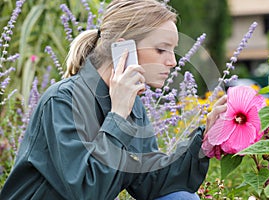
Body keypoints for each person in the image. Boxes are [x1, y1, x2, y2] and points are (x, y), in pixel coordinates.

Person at [0, 0, 227, 199]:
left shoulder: (132, 106)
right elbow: (86, 191)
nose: (173, 62)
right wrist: (117, 115)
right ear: (123, 48)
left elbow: (151, 182)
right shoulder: (62, 100)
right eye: (161, 50)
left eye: (173, 51)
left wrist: (205, 141)